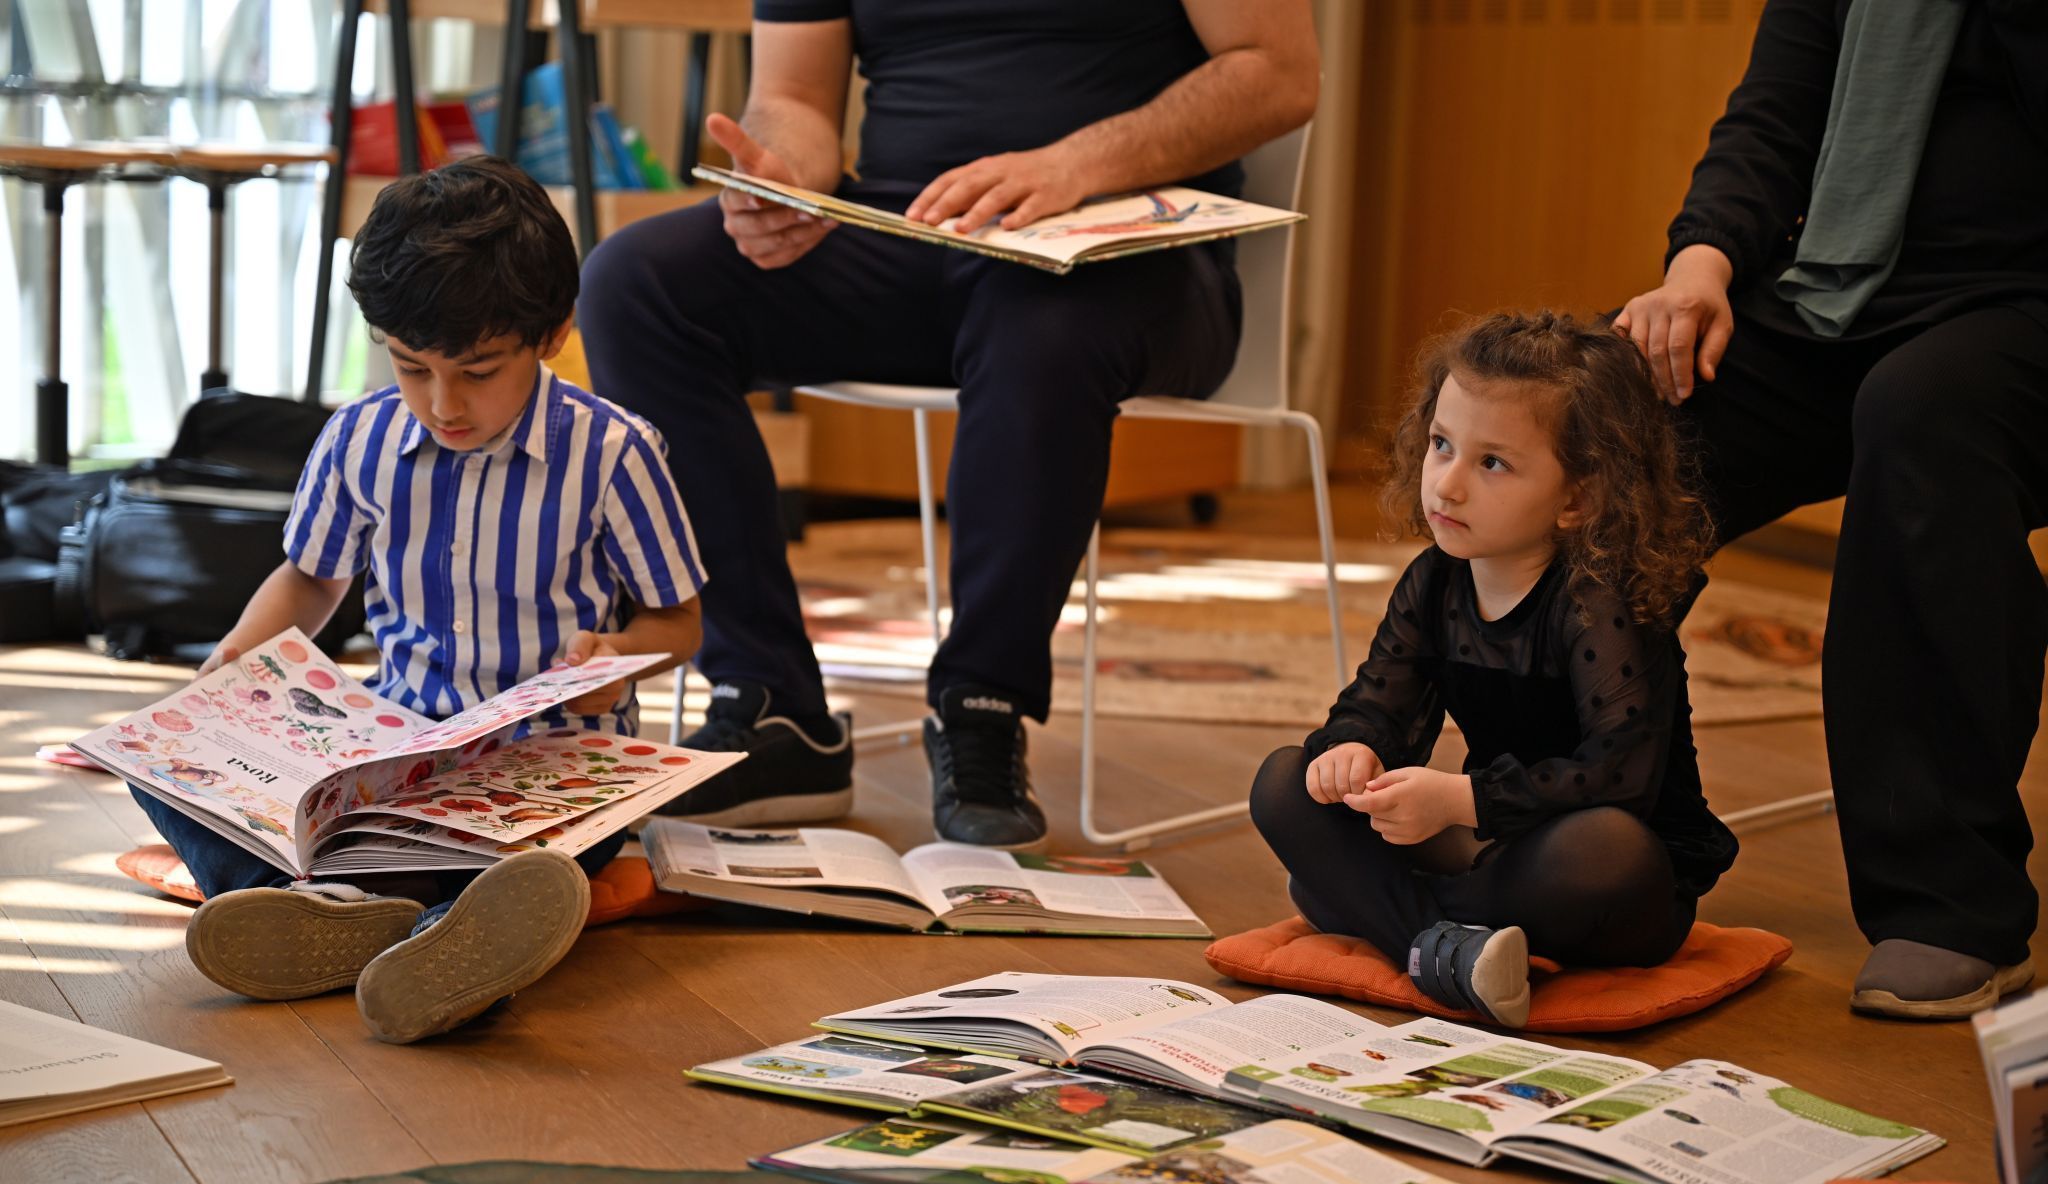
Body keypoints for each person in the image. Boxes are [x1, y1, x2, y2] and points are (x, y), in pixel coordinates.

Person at [578, 1, 1319, 850]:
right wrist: (781, 175)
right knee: (635, 284)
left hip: (1125, 249)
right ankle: (772, 709)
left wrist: (1075, 164)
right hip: (906, 229)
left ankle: (982, 707)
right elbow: (795, 94)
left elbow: (1278, 71)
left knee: (1037, 319)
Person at [130, 157, 707, 1044]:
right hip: (395, 763)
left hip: (549, 777)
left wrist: (613, 663)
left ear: (550, 335)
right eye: (411, 367)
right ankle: (376, 921)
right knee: (163, 767)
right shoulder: (357, 438)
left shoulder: (614, 454)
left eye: (478, 371)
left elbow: (679, 621)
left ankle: (400, 927)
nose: (444, 403)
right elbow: (314, 577)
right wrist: (234, 663)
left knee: (541, 870)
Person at [1613, 0, 2047, 1018]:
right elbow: (1772, 116)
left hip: (2022, 304)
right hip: (1834, 289)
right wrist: (1700, 264)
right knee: (1606, 413)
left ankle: (1948, 904)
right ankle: (1579, 828)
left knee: (1924, 414)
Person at [1248, 312, 1737, 1028]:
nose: (1446, 485)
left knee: (1607, 851)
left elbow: (1620, 779)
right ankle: (1444, 945)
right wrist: (1352, 750)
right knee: (1284, 780)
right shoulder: (1436, 580)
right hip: (1494, 845)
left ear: (1578, 497)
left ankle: (1388, 916)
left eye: (1492, 463)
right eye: (1441, 445)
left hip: (1600, 871)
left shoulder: (1601, 601)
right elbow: (1379, 699)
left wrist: (1459, 801)